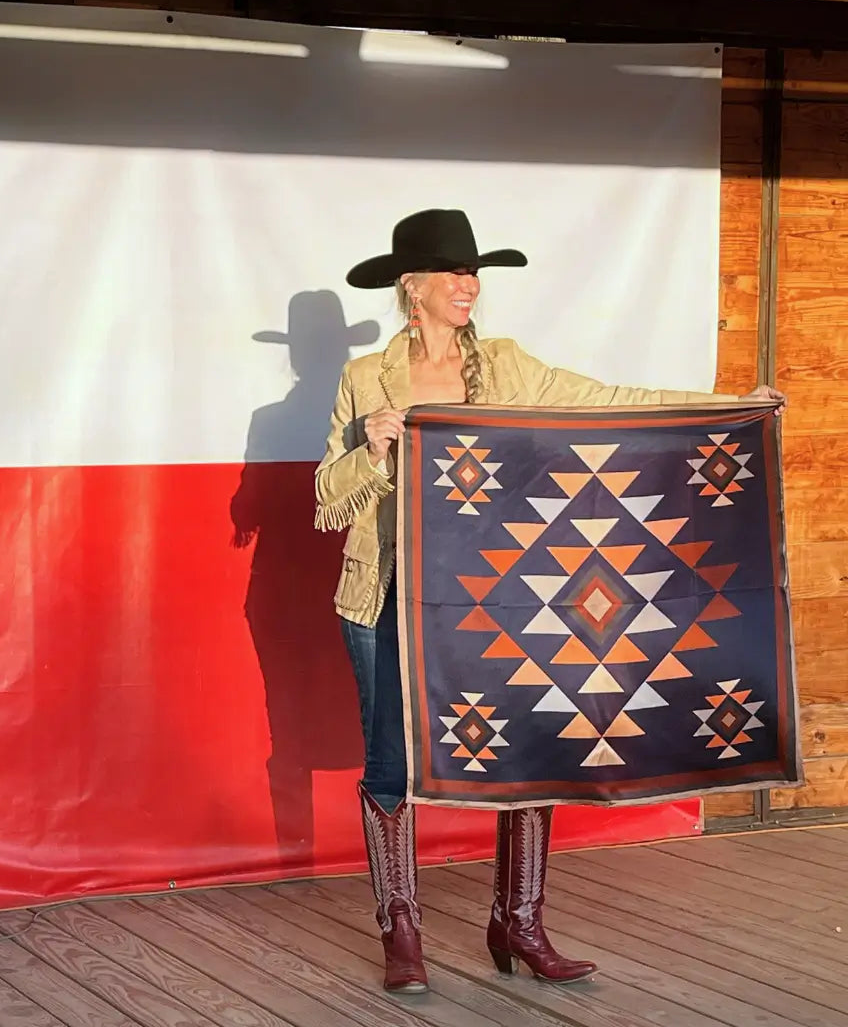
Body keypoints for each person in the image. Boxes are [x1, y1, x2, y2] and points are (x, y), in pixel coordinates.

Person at [313, 208, 785, 993]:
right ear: (413, 287)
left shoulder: (502, 365)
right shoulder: (368, 378)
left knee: (527, 751)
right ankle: (402, 931)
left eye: (474, 273)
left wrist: (729, 403)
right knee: (391, 761)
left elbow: (605, 397)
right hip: (388, 591)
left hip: (495, 597)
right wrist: (375, 446)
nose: (469, 286)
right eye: (454, 273)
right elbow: (327, 495)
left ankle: (519, 922)